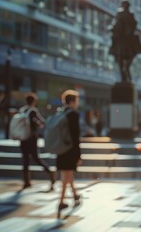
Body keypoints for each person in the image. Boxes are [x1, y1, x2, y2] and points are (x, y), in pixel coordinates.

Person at [19, 92, 55, 190]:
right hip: (31, 138)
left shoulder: (22, 110)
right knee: (36, 158)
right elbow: (41, 122)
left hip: (23, 138)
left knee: (25, 159)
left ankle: (26, 182)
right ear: (34, 101)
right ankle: (51, 173)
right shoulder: (33, 111)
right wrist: (40, 124)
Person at [57, 90, 82, 218]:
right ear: (72, 101)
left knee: (67, 173)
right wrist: (78, 155)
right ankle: (61, 201)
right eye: (77, 100)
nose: (78, 103)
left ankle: (74, 194)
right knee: (66, 175)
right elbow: (75, 136)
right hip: (70, 150)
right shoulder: (73, 115)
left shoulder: (60, 113)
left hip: (60, 149)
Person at [109, 0, 141, 82]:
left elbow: (134, 24)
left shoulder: (129, 15)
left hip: (126, 40)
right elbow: (116, 25)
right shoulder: (120, 14)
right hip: (121, 40)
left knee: (125, 57)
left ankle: (126, 74)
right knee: (120, 58)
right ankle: (124, 76)